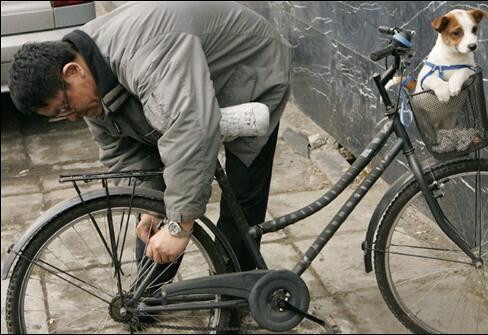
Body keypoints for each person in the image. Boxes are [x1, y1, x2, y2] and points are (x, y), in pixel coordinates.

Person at [8, 1, 291, 287]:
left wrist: (180, 227)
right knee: (157, 212)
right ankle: (147, 298)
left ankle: (235, 295)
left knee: (241, 199)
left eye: (65, 107)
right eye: (58, 116)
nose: (70, 118)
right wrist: (150, 205)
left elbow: (189, 130)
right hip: (184, 81)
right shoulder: (89, 75)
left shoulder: (145, 53)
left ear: (72, 72)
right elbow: (121, 150)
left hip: (250, 69)